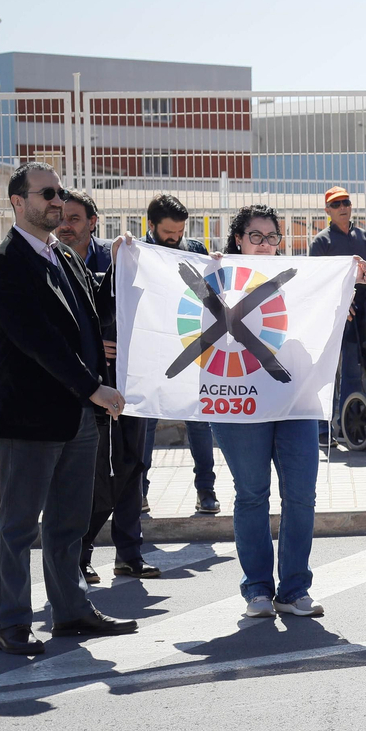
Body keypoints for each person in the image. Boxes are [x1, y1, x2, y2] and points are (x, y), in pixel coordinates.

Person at [0, 162, 136, 656]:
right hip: (30, 419)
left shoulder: (64, 258)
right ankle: (11, 625)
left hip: (77, 417)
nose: (56, 200)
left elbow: (97, 313)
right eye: (46, 193)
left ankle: (70, 612)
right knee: (19, 524)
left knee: (69, 522)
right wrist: (93, 387)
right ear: (17, 202)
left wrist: (129, 263)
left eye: (61, 192)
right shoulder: (3, 264)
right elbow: (38, 342)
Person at [212, 205, 366, 617]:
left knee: (301, 496)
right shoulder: (217, 277)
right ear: (239, 240)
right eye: (255, 236)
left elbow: (324, 318)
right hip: (241, 404)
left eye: (272, 237)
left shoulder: (297, 282)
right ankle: (258, 590)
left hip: (294, 399)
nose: (265, 245)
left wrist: (346, 282)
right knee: (251, 495)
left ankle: (294, 589)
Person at [81, 213, 157, 585]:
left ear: (92, 221)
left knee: (131, 466)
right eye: (62, 218)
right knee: (93, 477)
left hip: (130, 384)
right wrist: (97, 346)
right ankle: (80, 554)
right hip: (87, 390)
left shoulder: (117, 256)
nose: (66, 224)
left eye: (74, 218)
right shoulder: (54, 261)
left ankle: (129, 553)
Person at [141, 193, 218, 517]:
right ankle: (137, 493)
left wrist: (213, 268)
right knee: (144, 422)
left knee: (199, 422)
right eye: (167, 233)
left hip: (190, 346)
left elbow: (209, 297)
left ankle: (206, 491)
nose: (174, 239)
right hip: (149, 350)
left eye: (179, 233)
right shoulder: (138, 252)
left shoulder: (195, 251)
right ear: (151, 225)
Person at [309, 186, 366, 440]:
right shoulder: (321, 242)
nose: (342, 207)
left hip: (358, 317)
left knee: (352, 372)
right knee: (326, 372)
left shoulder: (363, 237)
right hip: (331, 318)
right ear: (327, 210)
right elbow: (316, 283)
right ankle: (321, 429)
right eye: (336, 204)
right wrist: (339, 304)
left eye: (346, 202)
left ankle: (347, 430)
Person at [56, 190, 111, 275]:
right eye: (60, 218)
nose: (64, 226)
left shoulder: (115, 255)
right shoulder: (46, 258)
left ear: (92, 222)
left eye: (74, 219)